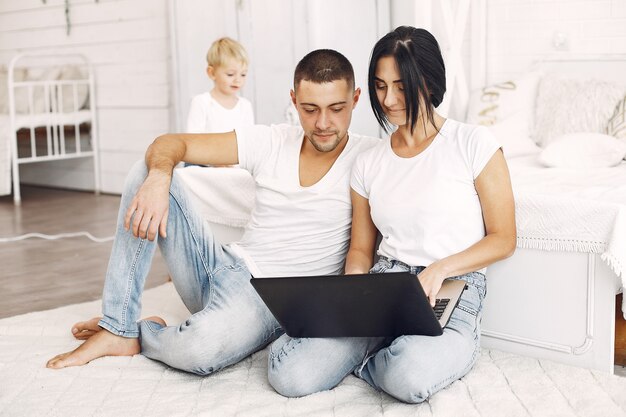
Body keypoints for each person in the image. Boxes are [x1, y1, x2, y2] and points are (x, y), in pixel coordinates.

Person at [45, 49, 380, 374]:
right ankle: (118, 325)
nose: (323, 123)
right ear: (294, 100)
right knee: (145, 171)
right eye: (310, 109)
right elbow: (170, 143)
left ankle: (143, 334)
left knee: (198, 350)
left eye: (336, 108)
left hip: (269, 300)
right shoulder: (272, 140)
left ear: (355, 99)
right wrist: (160, 177)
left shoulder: (369, 157)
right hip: (219, 268)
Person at [267, 26, 516, 403]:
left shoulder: (473, 143)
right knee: (291, 374)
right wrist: (354, 291)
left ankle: (365, 360)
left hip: (452, 286)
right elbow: (361, 249)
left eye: (401, 86)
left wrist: (440, 268)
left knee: (410, 377)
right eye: (380, 86)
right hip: (386, 283)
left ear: (430, 82)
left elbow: (504, 238)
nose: (389, 99)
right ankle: (365, 345)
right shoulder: (369, 162)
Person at [186, 37, 254, 135]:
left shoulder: (245, 106)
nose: (238, 80)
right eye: (230, 74)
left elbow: (249, 140)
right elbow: (193, 139)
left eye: (243, 74)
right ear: (212, 73)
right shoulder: (202, 103)